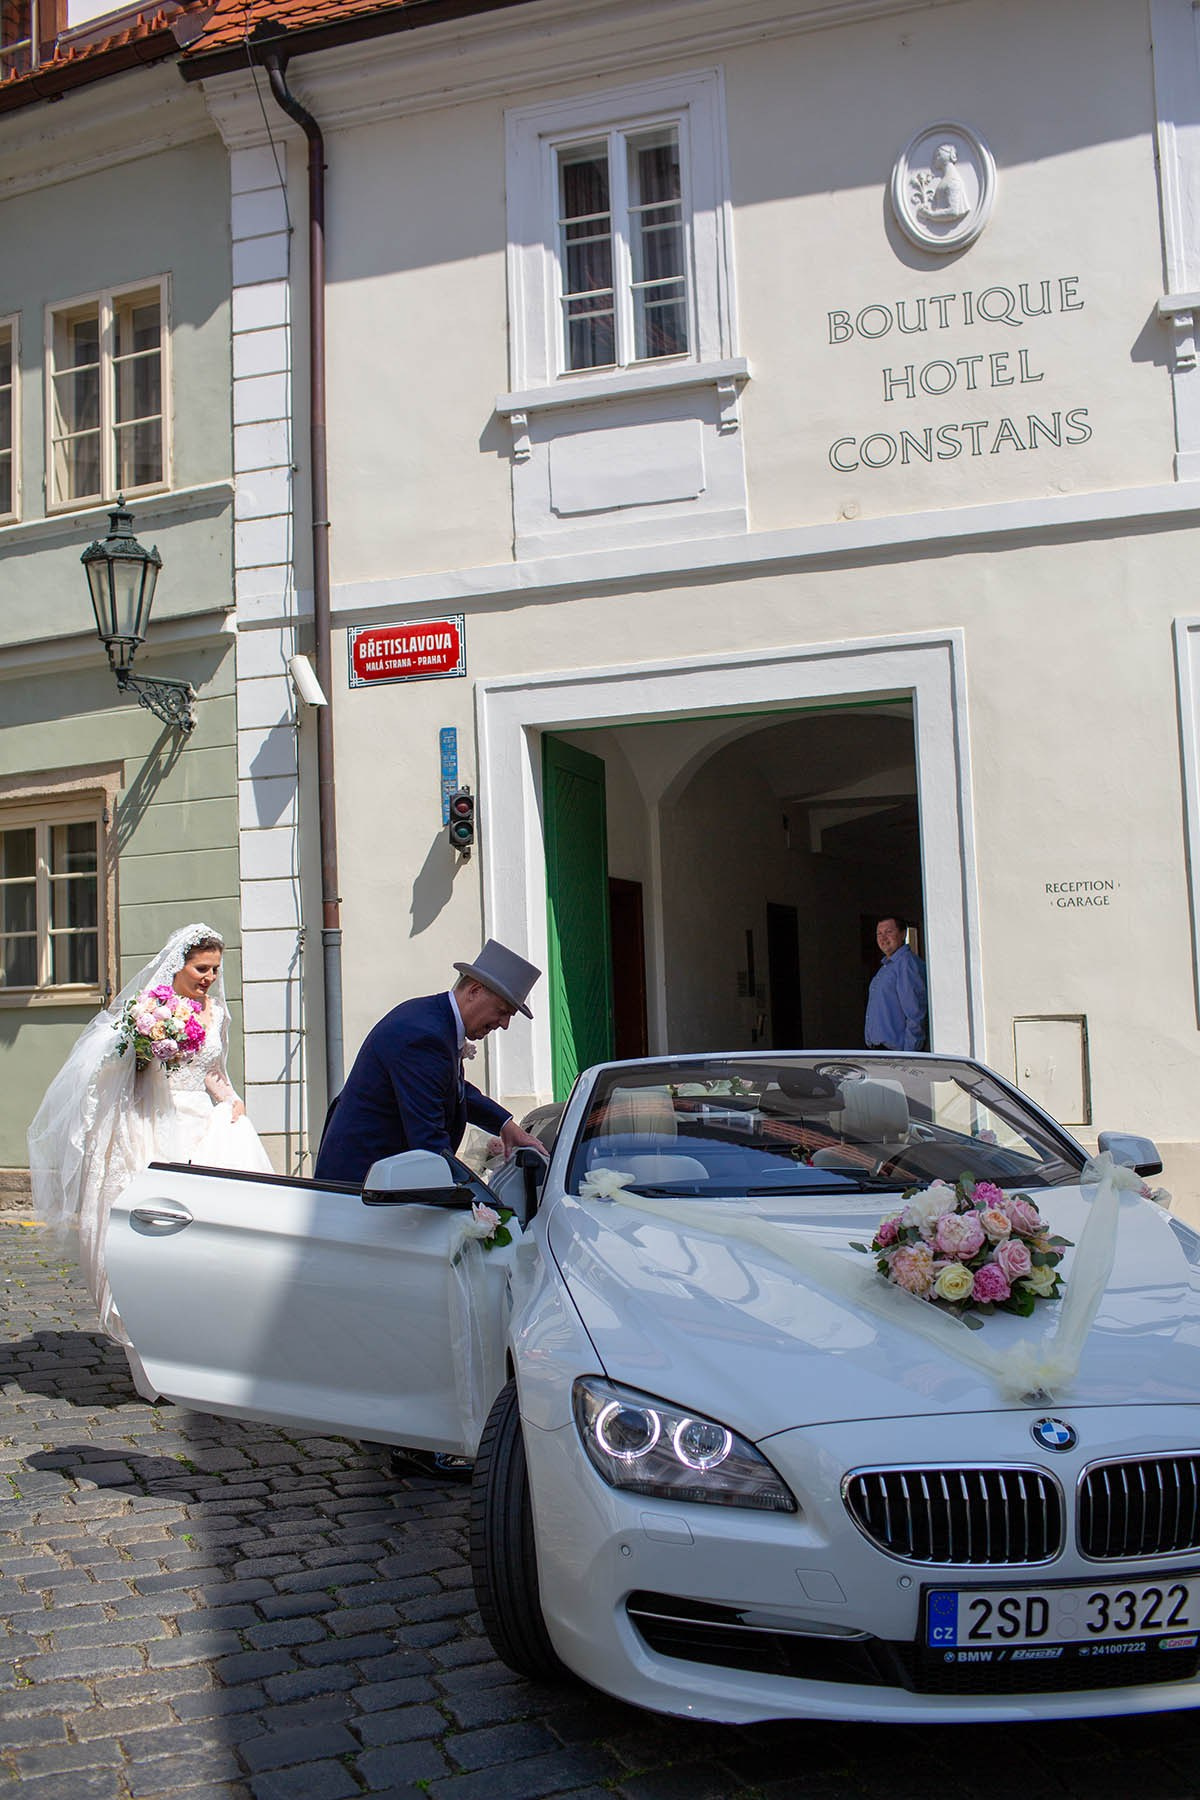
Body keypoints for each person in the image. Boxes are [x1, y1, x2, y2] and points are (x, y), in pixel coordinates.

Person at [28, 922, 272, 1342]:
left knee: (210, 1231)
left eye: (215, 969)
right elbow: (125, 1071)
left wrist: (231, 1100)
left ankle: (203, 1334)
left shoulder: (216, 1013)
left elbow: (213, 1071)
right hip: (153, 1123)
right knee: (154, 1231)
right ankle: (149, 1337)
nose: (210, 978)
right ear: (178, 965)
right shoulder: (149, 1009)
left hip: (201, 1122)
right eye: (202, 969)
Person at [314, 938, 545, 1186]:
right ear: (475, 991)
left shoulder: (433, 1019)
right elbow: (429, 1139)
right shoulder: (423, 1035)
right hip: (358, 1188)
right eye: (502, 1011)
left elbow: (451, 1088)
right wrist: (475, 1199)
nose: (505, 1024)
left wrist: (505, 1123)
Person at [864, 914, 928, 1051]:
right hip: (880, 1052)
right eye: (879, 933)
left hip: (896, 1055)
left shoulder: (906, 965)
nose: (883, 938)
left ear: (903, 934)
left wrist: (909, 1056)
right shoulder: (886, 967)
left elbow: (915, 1014)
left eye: (888, 932)